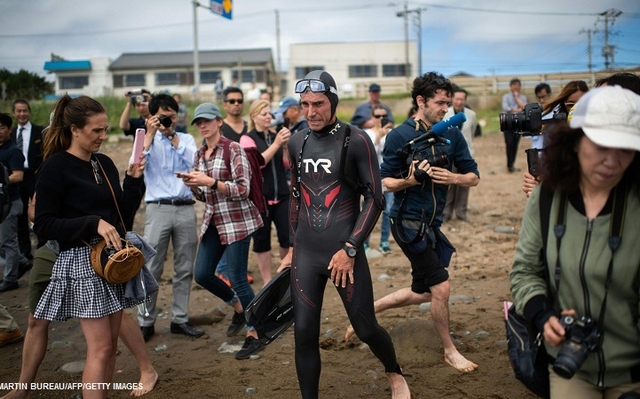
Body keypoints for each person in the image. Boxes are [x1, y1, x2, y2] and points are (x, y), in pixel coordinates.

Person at [278, 70, 410, 398]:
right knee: (304, 333)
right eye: (305, 104)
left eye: (319, 103)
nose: (311, 111)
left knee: (366, 328)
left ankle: (394, 371)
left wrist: (350, 247)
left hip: (343, 252)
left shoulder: (355, 140)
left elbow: (375, 198)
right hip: (306, 253)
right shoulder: (297, 142)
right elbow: (295, 197)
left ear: (333, 101)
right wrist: (292, 247)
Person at [509, 85, 640, 398]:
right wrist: (542, 315)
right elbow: (525, 270)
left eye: (625, 149)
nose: (612, 160)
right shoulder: (547, 197)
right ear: (575, 141)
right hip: (569, 364)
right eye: (601, 145)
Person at [346, 72, 480, 374]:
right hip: (407, 223)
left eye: (448, 103)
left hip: (433, 224)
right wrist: (411, 179)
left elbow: (473, 176)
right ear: (421, 101)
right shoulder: (400, 136)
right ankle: (449, 350)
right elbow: (383, 183)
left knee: (424, 291)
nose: (446, 108)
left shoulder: (453, 133)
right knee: (441, 287)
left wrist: (454, 177)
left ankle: (369, 310)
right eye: (440, 103)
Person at [33, 95, 146, 399]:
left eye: (104, 129)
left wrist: (134, 180)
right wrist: (91, 222)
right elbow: (43, 225)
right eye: (95, 130)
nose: (102, 136)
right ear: (74, 129)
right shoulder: (54, 168)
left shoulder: (104, 163)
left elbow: (123, 215)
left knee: (109, 348)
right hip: (82, 263)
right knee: (101, 348)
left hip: (112, 262)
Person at [2, 193, 158, 399]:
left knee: (110, 326)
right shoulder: (51, 169)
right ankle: (23, 388)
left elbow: (119, 214)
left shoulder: (96, 166)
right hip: (53, 250)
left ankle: (145, 370)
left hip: (92, 251)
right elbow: (37, 216)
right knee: (36, 319)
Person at [183, 102, 265, 360]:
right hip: (214, 221)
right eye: (198, 122)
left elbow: (243, 189)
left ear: (219, 121)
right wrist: (193, 185)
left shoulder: (233, 149)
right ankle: (240, 308)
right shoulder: (198, 154)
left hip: (238, 221)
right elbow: (204, 197)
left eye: (207, 120)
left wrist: (211, 182)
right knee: (203, 274)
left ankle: (255, 332)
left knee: (238, 277)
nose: (203, 125)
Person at [136, 94, 203, 341]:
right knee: (150, 267)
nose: (168, 121)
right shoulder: (145, 140)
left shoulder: (185, 138)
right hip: (157, 208)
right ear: (152, 117)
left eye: (172, 116)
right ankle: (145, 321)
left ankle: (180, 319)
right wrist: (151, 134)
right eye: (163, 116)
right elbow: (136, 164)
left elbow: (194, 164)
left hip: (185, 207)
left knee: (184, 267)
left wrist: (172, 136)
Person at [242, 100, 291, 284]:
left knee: (287, 238)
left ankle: (284, 276)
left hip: (283, 195)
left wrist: (285, 145)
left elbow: (287, 164)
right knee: (262, 241)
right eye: (264, 114)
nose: (268, 117)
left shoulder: (275, 135)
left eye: (270, 113)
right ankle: (268, 280)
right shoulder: (248, 138)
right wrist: (278, 143)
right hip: (260, 197)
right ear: (254, 116)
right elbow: (258, 162)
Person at [522, 80, 589, 198]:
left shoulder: (597, 131)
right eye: (571, 105)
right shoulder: (554, 129)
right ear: (564, 104)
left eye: (582, 104)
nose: (576, 109)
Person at [0, 113, 30, 292]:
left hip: (10, 203)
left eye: (2, 127)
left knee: (7, 242)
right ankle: (23, 261)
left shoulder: (13, 151)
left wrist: (3, 179)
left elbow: (18, 175)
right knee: (4, 242)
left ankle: (10, 278)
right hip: (1, 202)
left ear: (9, 129)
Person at [11, 100, 44, 262]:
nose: (22, 114)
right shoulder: (10, 134)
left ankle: (42, 249)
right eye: (19, 111)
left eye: (25, 110)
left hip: (36, 176)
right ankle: (25, 253)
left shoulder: (40, 132)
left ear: (29, 112)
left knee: (39, 211)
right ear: (14, 113)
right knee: (20, 216)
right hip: (17, 178)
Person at [362, 104, 394, 255]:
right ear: (371, 118)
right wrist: (378, 138)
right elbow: (367, 156)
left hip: (388, 177)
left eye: (384, 116)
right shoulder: (366, 134)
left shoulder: (392, 134)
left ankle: (384, 241)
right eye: (377, 116)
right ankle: (364, 242)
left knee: (388, 211)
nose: (381, 119)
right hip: (371, 178)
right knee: (367, 211)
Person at [443, 87, 478, 223]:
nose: (459, 102)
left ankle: (461, 212)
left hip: (466, 153)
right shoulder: (445, 114)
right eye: (456, 99)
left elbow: (472, 132)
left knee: (465, 183)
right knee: (449, 183)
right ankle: (446, 212)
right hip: (449, 154)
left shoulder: (471, 115)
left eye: (462, 99)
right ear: (452, 99)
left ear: (465, 100)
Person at [502, 78, 528, 172]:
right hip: (508, 123)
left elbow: (525, 107)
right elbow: (506, 108)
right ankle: (509, 164)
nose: (516, 87)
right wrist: (517, 110)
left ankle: (512, 164)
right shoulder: (506, 97)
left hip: (519, 123)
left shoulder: (523, 97)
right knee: (509, 143)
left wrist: (517, 98)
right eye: (514, 85)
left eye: (518, 86)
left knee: (515, 144)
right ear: (511, 86)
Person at [529, 83, 552, 150]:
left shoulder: (556, 110)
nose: (541, 100)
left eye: (544, 97)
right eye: (539, 97)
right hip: (537, 147)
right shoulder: (533, 111)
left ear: (549, 95)